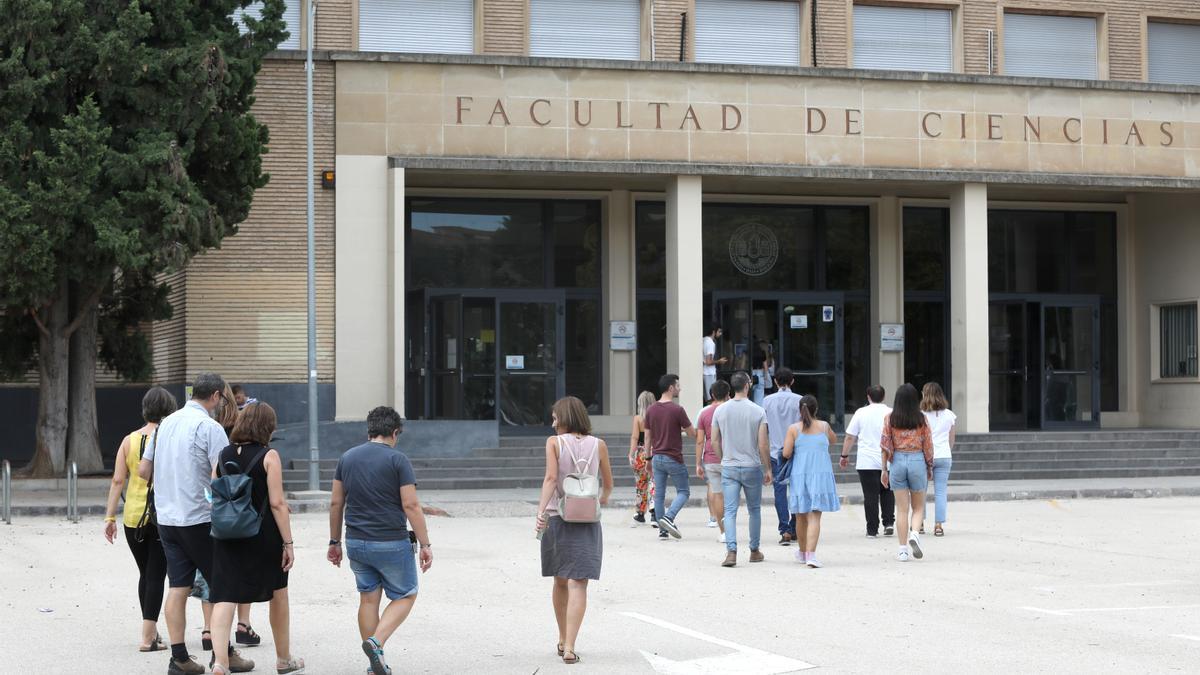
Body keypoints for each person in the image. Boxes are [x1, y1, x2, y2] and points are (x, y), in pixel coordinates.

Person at [138, 373, 253, 674]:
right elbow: (222, 474)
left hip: (166, 518)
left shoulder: (164, 425)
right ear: (215, 396)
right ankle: (223, 654)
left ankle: (179, 658)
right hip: (200, 518)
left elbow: (144, 469)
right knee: (221, 587)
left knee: (178, 586)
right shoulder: (209, 427)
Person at [328, 406, 433, 675]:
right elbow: (411, 505)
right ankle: (376, 642)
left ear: (369, 430)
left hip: (356, 542)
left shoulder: (347, 458)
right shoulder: (398, 460)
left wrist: (334, 541)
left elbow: (336, 503)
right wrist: (425, 544)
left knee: (368, 599)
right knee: (406, 594)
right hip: (390, 541)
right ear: (395, 432)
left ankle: (377, 664)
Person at [207, 403, 304, 675]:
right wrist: (288, 543)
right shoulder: (269, 456)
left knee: (224, 595)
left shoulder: (222, 455)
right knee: (278, 594)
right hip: (263, 537)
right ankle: (284, 659)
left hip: (226, 534)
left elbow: (214, 493)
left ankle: (220, 662)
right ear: (266, 427)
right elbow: (277, 504)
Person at [535, 396, 614, 665]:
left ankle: (561, 636)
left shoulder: (554, 443)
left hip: (558, 517)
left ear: (565, 418)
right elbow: (609, 484)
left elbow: (550, 479)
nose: (552, 422)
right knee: (578, 582)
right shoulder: (599, 445)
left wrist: (540, 511)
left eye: (555, 417)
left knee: (559, 580)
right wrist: (598, 502)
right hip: (588, 521)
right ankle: (570, 646)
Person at [103, 386, 178, 652]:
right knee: (157, 575)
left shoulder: (129, 440)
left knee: (145, 573)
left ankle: (153, 632)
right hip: (160, 515)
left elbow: (117, 480)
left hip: (133, 517)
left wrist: (110, 517)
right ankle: (147, 637)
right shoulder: (170, 437)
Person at [212, 384, 259, 650]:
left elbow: (212, 478)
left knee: (217, 577)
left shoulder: (211, 427)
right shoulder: (240, 434)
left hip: (217, 511)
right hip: (245, 511)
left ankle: (210, 631)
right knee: (242, 568)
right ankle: (244, 623)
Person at [710, 372, 771, 567]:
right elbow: (763, 444)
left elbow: (714, 440)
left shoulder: (720, 411)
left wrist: (723, 458)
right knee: (754, 510)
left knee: (730, 511)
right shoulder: (758, 411)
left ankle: (731, 551)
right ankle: (754, 550)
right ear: (747, 385)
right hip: (751, 466)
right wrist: (768, 468)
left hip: (729, 465)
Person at [782, 395, 840, 568]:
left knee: (800, 515)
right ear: (816, 409)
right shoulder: (824, 426)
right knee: (815, 515)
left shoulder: (794, 428)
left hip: (800, 474)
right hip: (820, 474)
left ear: (800, 410)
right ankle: (811, 555)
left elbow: (786, 453)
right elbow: (834, 440)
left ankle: (802, 552)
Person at [880, 383, 934, 562]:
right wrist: (929, 465)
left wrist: (883, 469)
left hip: (897, 462)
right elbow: (928, 444)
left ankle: (902, 550)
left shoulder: (890, 418)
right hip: (917, 459)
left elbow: (885, 445)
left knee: (901, 509)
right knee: (918, 507)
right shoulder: (922, 419)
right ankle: (915, 534)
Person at [643, 373, 695, 540]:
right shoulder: (677, 410)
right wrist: (680, 428)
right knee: (684, 491)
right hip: (673, 457)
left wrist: (647, 459)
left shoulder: (651, 410)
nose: (680, 388)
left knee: (659, 494)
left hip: (657, 457)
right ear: (671, 388)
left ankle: (662, 530)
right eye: (678, 386)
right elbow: (692, 433)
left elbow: (647, 437)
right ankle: (668, 517)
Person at [839, 385, 895, 538]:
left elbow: (850, 436)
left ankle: (872, 529)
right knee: (888, 492)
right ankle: (889, 523)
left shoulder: (860, 412)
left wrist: (844, 455)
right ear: (883, 397)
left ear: (868, 397)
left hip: (866, 461)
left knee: (870, 495)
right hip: (888, 459)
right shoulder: (891, 412)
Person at [762, 368, 800, 545]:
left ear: (776, 382)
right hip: (796, 451)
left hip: (776, 451)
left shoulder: (767, 401)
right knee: (797, 490)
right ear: (792, 381)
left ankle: (784, 528)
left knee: (779, 492)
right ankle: (794, 526)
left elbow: (765, 427)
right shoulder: (799, 400)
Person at [695, 380, 731, 543]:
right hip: (730, 456)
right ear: (728, 394)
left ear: (712, 395)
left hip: (710, 457)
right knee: (731, 494)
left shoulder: (704, 413)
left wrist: (697, 463)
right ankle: (731, 527)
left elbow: (700, 441)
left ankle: (723, 531)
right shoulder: (731, 410)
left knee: (717, 493)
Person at [920, 382, 956, 537]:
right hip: (944, 455)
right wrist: (946, 450)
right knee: (941, 491)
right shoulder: (949, 415)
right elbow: (951, 439)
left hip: (924, 456)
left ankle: (919, 523)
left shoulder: (920, 415)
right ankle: (938, 525)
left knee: (920, 490)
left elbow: (919, 438)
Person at [627, 391, 658, 526]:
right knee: (654, 482)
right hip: (656, 452)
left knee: (641, 483)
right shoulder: (658, 417)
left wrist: (631, 454)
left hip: (641, 453)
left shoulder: (638, 419)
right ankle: (654, 512)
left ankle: (640, 513)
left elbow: (634, 437)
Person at [702, 324, 727, 403]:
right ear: (714, 332)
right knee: (711, 397)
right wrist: (719, 361)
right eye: (719, 331)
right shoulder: (710, 343)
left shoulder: (703, 340)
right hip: (709, 373)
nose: (720, 334)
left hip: (704, 372)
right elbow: (708, 361)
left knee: (707, 397)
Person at [751, 339, 773, 406]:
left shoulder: (748, 352)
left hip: (751, 373)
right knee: (760, 395)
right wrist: (766, 375)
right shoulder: (762, 352)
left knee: (748, 393)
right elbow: (765, 365)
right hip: (760, 373)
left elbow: (743, 364)